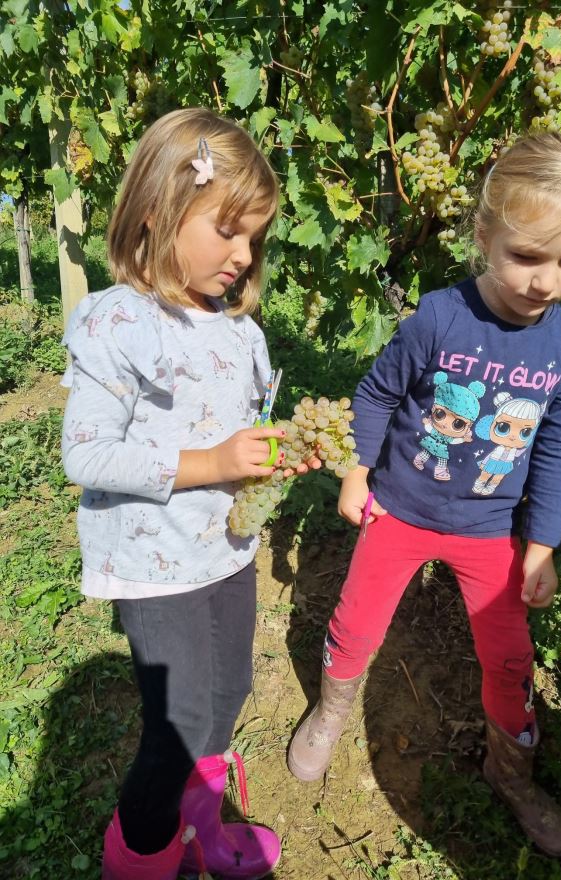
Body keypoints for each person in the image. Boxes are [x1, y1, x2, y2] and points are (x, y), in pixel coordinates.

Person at [288, 132, 561, 858]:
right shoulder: (440, 317)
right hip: (401, 510)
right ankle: (331, 710)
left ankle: (511, 773)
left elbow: (559, 450)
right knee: (357, 622)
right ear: (483, 235)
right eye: (526, 256)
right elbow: (378, 395)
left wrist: (541, 547)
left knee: (510, 657)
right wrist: (357, 470)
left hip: (491, 531)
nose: (546, 281)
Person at [61, 108, 319, 880]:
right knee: (178, 725)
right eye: (229, 231)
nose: (244, 255)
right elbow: (86, 453)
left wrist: (270, 455)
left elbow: (241, 431)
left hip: (223, 549)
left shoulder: (241, 332)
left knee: (229, 691)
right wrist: (212, 461)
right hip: (155, 563)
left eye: (254, 240)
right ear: (158, 210)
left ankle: (200, 829)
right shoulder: (118, 321)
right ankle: (140, 860)